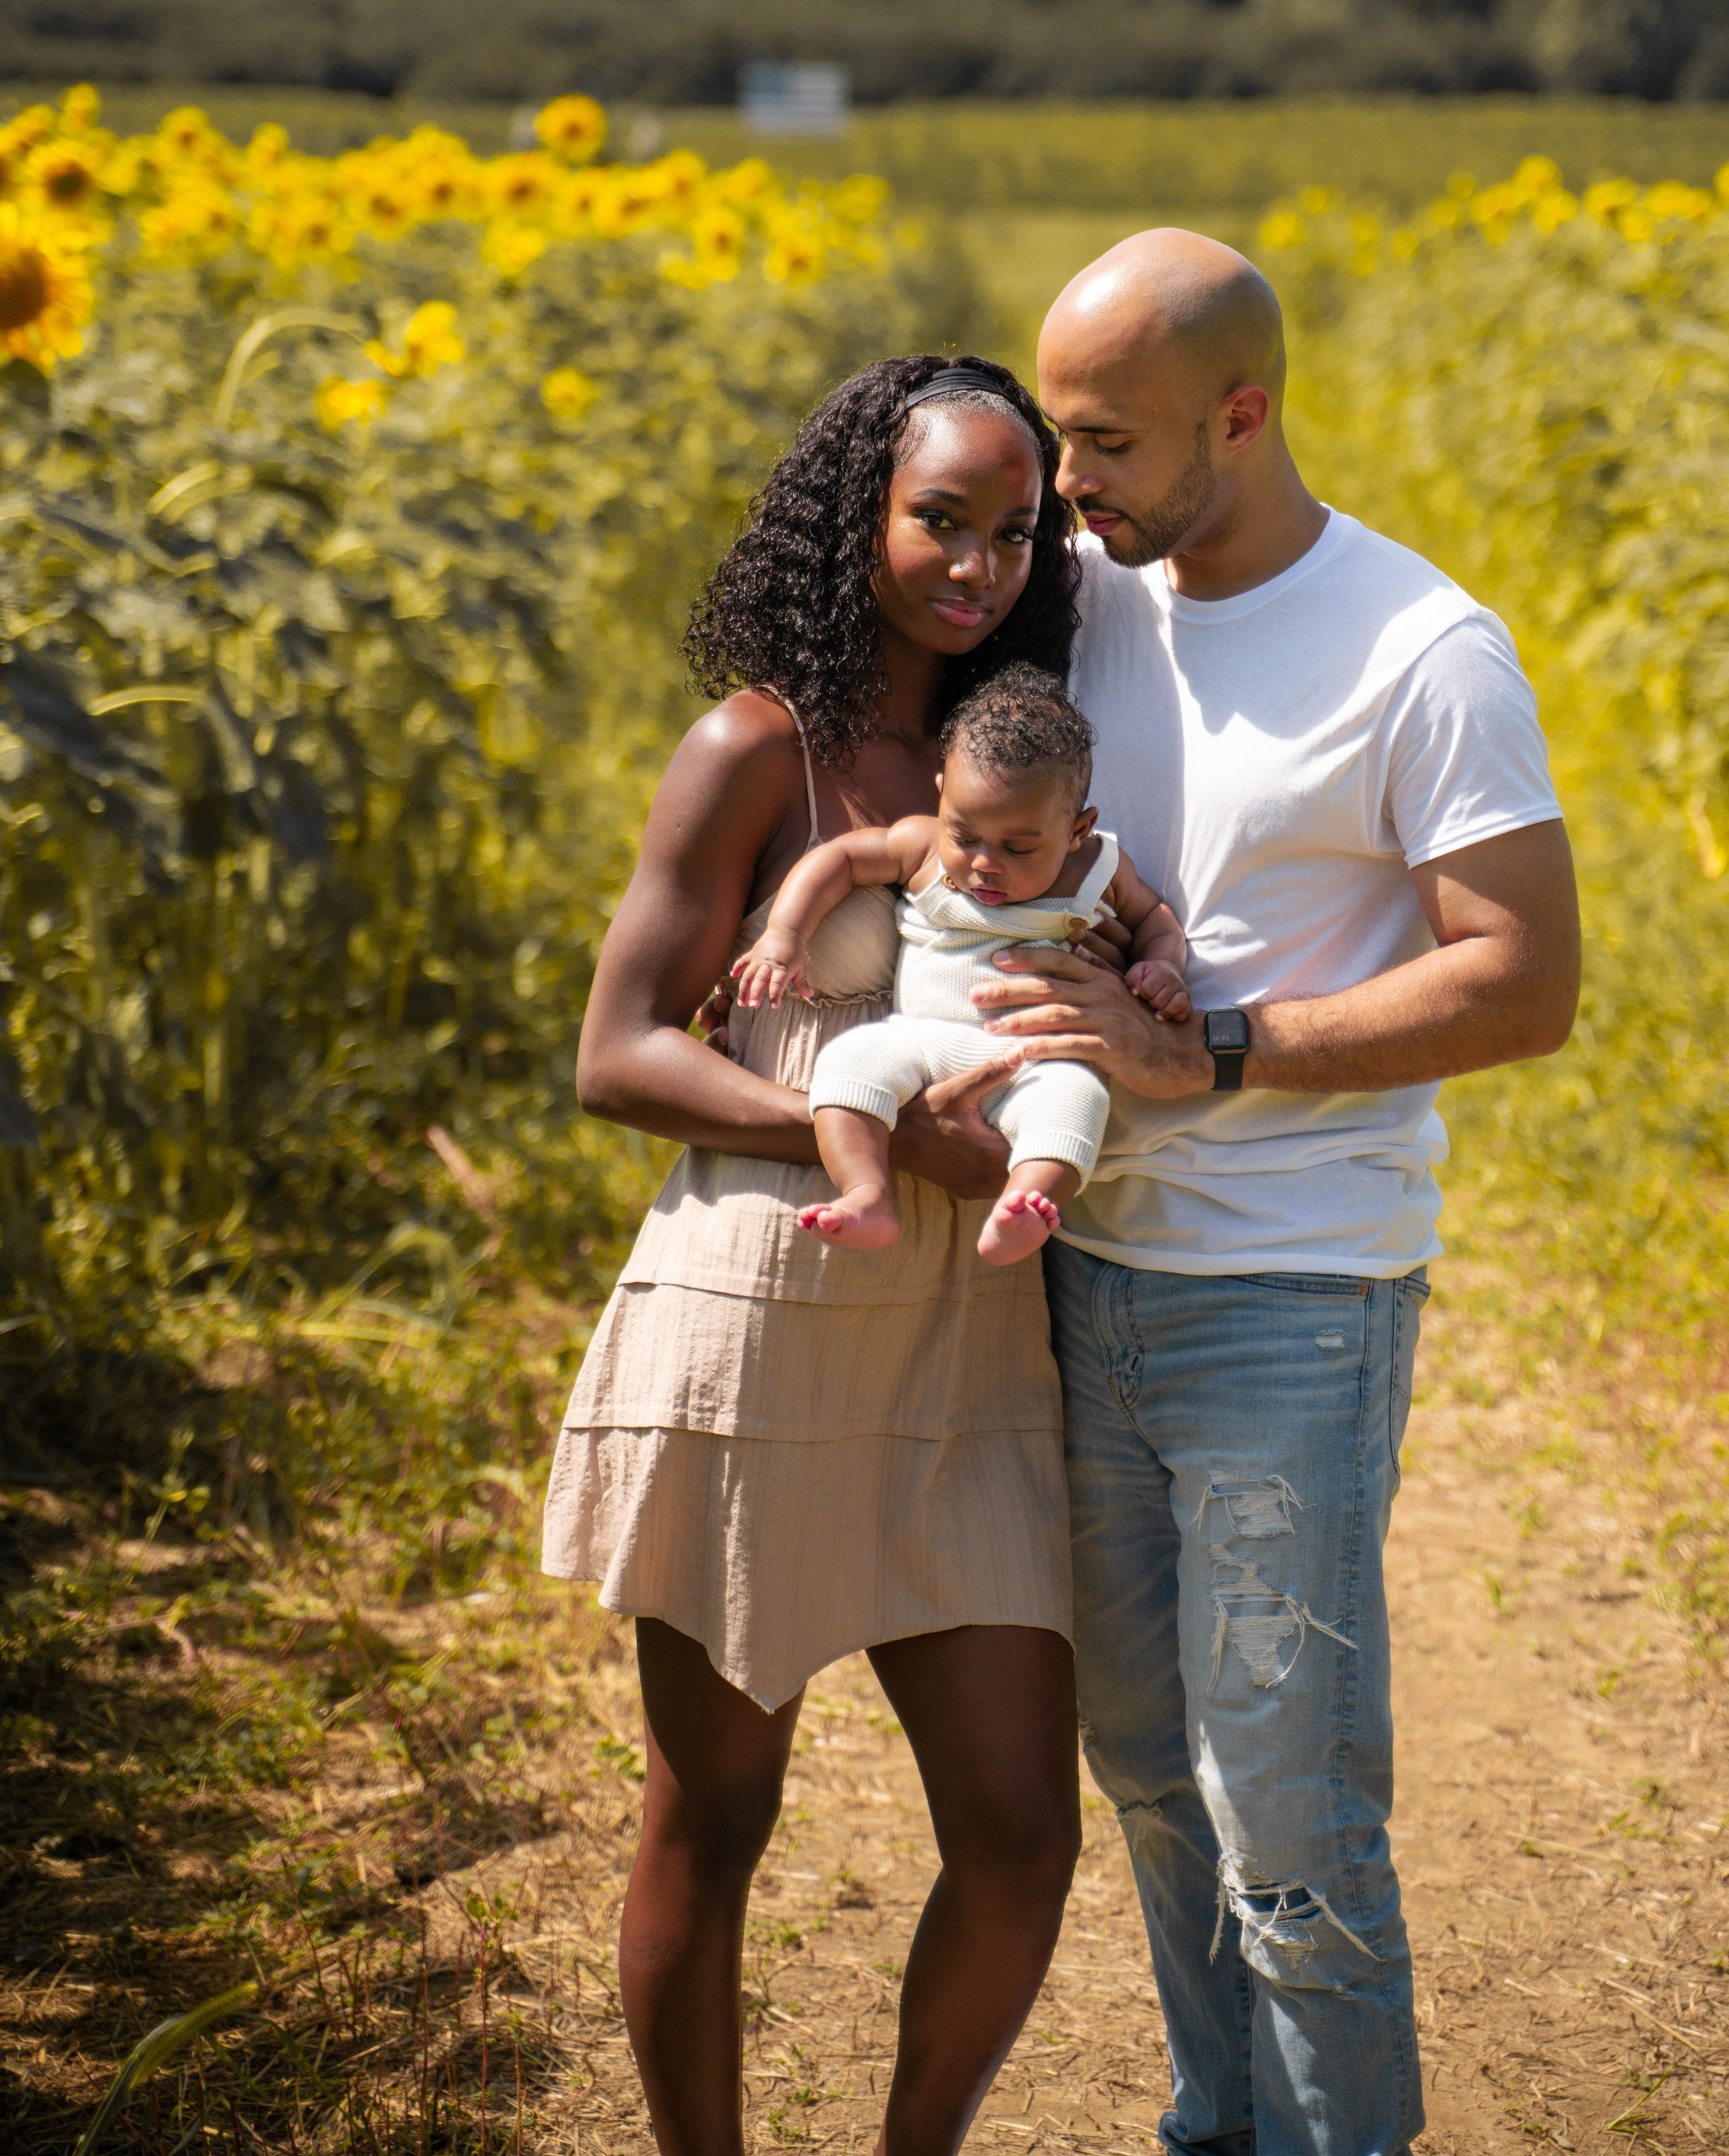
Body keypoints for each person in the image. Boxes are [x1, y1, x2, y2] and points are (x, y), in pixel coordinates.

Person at [971, 231, 1581, 2156]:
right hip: (1081, 1280)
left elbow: (1522, 976)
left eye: (1105, 442)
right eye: (1055, 437)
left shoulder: (1420, 648)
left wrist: (1218, 1051)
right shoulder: (1078, 603)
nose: (1069, 485)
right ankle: (1207, 2128)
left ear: (1242, 415)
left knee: (1289, 1826)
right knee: (1149, 1774)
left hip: (1289, 1295)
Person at [543, 355, 1091, 2156]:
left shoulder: (1029, 747)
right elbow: (619, 1050)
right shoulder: (752, 745)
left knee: (1019, 1832)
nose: (977, 562)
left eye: (1016, 530)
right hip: (758, 1312)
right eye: (940, 516)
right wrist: (869, 1134)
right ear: (856, 508)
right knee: (715, 1811)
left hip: (963, 1347)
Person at [731, 662, 1190, 1261]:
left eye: (1019, 847)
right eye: (966, 835)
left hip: (1037, 1059)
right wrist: (784, 937)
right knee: (846, 1064)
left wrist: (1164, 967)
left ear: (1079, 830)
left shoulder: (1098, 870)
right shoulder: (922, 845)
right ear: (942, 789)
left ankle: (1022, 1207)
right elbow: (838, 860)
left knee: (1078, 1100)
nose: (984, 863)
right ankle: (866, 1191)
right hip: (920, 1040)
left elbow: (1157, 918)